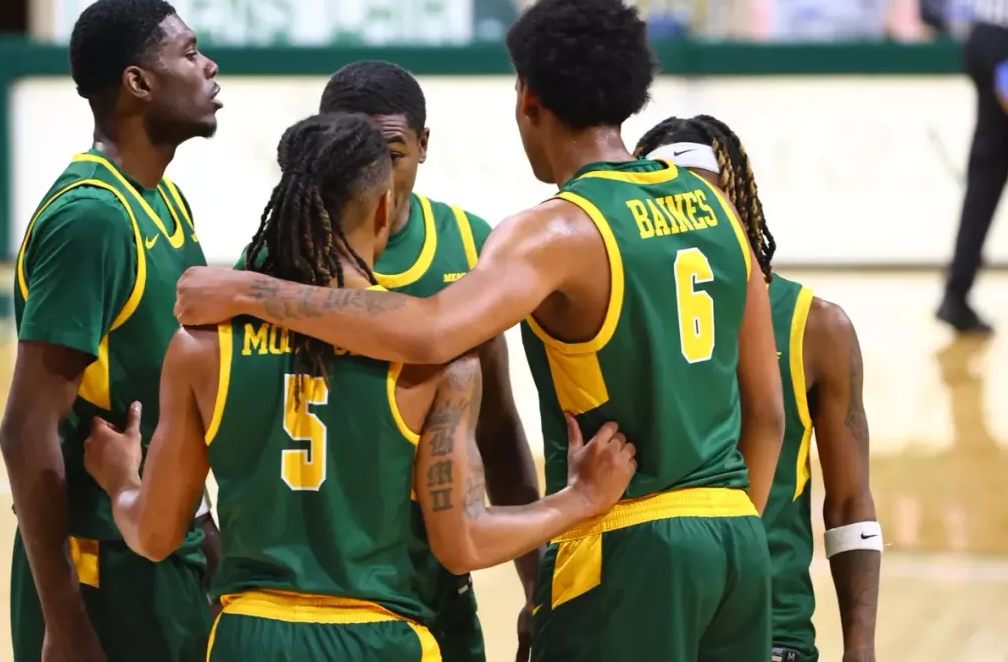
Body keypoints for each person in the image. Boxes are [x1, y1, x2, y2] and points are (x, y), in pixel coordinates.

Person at [171, 0, 786, 660]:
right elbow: (768, 412)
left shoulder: (550, 231)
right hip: (734, 537)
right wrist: (730, 534)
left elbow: (433, 331)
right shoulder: (713, 205)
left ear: (528, 101)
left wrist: (250, 291)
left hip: (627, 536)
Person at [81, 112, 638, 662]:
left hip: (247, 636)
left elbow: (155, 536)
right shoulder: (437, 361)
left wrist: (119, 479)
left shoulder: (202, 348)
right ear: (382, 207)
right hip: (380, 637)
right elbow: (463, 542)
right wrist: (579, 499)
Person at [0, 0, 222, 662]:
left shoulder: (159, 197)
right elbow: (25, 429)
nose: (210, 67)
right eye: (188, 53)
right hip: (104, 569)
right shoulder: (91, 219)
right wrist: (65, 625)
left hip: (161, 545)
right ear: (137, 82)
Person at [307, 59, 542, 662]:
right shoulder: (278, 255)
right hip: (317, 579)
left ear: (424, 145)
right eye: (354, 154)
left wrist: (535, 583)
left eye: (393, 151)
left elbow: (498, 425)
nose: (376, 177)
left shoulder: (470, 245)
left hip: (436, 577)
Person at [636, 115, 882, 662]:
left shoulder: (814, 326)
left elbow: (848, 502)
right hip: (645, 620)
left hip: (770, 632)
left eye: (705, 197)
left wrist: (860, 647)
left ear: (738, 201)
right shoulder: (618, 313)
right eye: (666, 198)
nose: (688, 213)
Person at [938, 0, 1008, 334]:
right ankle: (956, 292)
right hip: (1005, 40)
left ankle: (957, 292)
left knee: (985, 178)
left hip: (984, 36)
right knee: (985, 178)